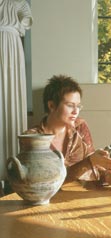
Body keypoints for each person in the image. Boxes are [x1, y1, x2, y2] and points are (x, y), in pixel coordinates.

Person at [24, 75, 111, 184]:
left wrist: (110, 176)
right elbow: (44, 181)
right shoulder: (32, 138)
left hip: (85, 193)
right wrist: (88, 162)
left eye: (78, 106)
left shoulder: (80, 126)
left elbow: (94, 167)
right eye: (70, 105)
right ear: (51, 105)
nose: (76, 111)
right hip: (51, 197)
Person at [0, 0, 33, 180]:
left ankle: (11, 171)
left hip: (11, 48)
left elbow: (27, 20)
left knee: (10, 101)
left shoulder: (19, 3)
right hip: (10, 43)